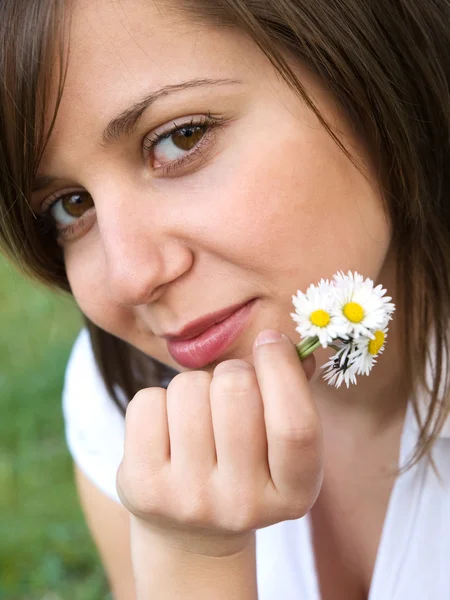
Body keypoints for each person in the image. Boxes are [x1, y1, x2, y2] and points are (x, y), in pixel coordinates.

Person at [0, 0, 449, 598]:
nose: (130, 278)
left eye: (181, 138)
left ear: (366, 62)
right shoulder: (134, 400)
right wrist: (190, 560)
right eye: (70, 205)